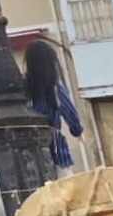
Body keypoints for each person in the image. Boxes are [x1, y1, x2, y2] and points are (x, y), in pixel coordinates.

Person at [23, 38, 83, 170]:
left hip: (31, 149)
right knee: (63, 186)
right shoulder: (54, 89)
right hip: (55, 147)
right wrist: (77, 130)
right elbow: (70, 112)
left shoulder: (24, 89)